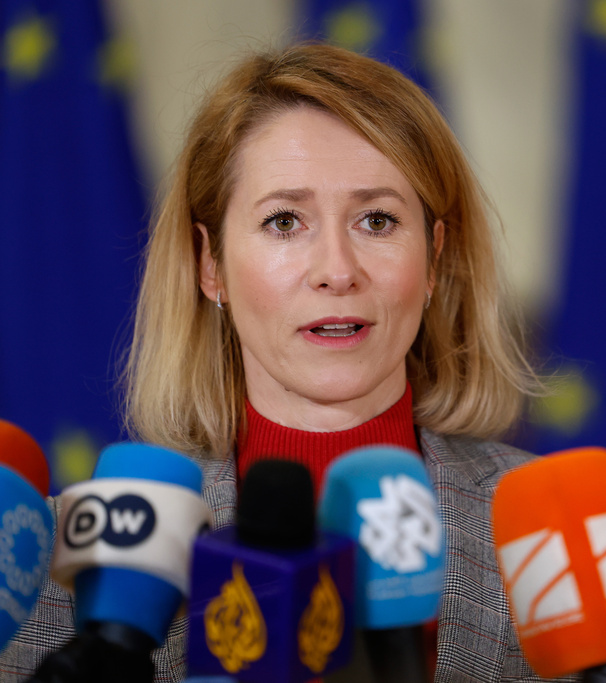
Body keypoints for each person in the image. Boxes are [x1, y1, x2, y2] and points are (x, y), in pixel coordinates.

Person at [0, 42, 576, 682]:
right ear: (210, 263)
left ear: (435, 257)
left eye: (378, 220)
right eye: (283, 222)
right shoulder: (56, 568)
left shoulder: (547, 538)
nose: (336, 270)